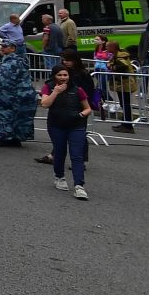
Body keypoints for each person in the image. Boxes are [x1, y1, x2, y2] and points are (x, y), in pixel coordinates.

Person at [39, 64, 93, 200]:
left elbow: (88, 108)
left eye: (65, 75)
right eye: (60, 75)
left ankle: (79, 186)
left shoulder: (77, 90)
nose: (63, 78)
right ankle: (59, 177)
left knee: (77, 155)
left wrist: (80, 115)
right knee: (60, 151)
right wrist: (55, 92)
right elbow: (45, 104)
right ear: (54, 76)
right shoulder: (48, 87)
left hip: (76, 126)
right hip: (56, 125)